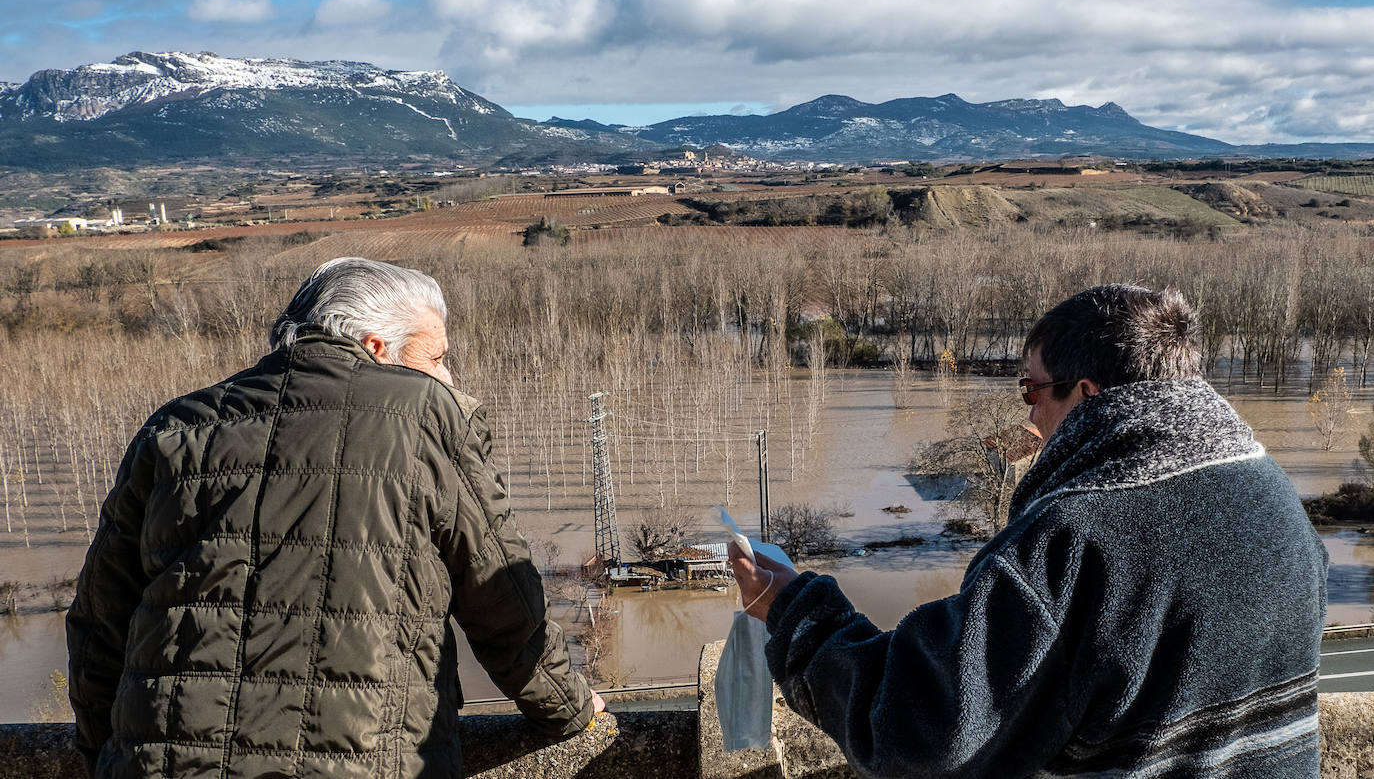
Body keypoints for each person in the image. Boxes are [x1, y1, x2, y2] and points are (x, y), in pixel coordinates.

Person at [731, 284, 1327, 778]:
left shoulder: (1070, 539)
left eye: (1031, 389)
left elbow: (922, 734)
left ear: (1087, 395)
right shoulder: (1274, 495)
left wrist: (795, 612)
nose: (1029, 415)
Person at [68, 257, 602, 778]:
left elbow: (100, 621)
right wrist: (567, 706)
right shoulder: (424, 415)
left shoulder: (175, 427)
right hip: (360, 757)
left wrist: (106, 752)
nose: (449, 375)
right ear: (375, 346)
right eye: (437, 357)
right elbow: (500, 596)